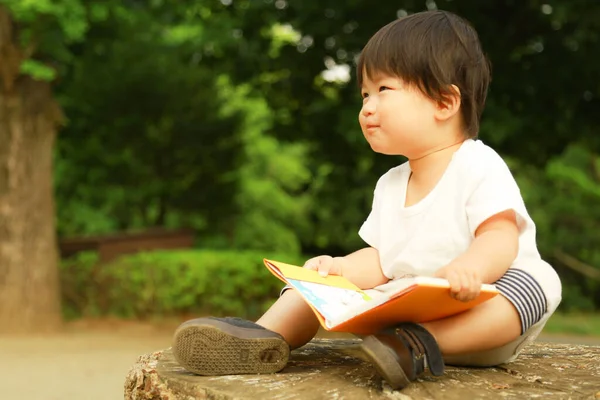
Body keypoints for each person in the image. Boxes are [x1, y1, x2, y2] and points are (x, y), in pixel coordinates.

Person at [171, 9, 562, 389]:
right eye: (364, 94)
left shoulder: (477, 163)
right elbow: (381, 260)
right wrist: (337, 269)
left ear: (445, 102)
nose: (367, 107)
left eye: (383, 90)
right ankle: (264, 339)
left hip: (478, 317)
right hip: (405, 317)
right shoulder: (391, 184)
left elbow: (501, 236)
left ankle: (422, 345)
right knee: (313, 282)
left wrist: (472, 269)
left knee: (540, 281)